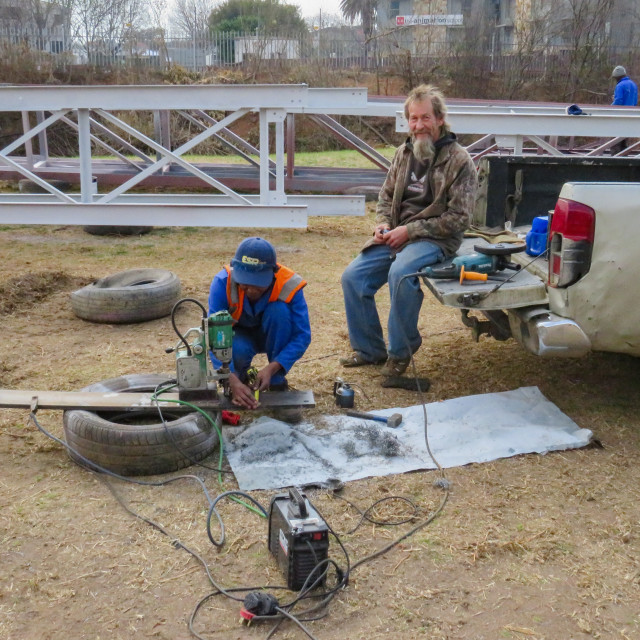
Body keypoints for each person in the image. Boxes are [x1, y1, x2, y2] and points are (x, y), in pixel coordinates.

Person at [340, 84, 478, 379]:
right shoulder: (404, 153)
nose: (418, 126)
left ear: (440, 119)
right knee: (353, 277)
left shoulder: (460, 161)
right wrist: (384, 225)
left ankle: (401, 351)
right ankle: (369, 350)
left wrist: (410, 230)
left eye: (425, 118)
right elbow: (386, 197)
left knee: (400, 274)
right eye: (413, 119)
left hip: (435, 239)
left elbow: (459, 218)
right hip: (396, 234)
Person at [208, 237, 311, 409]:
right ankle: (239, 382)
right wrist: (229, 378)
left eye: (258, 284)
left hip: (274, 334)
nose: (251, 290)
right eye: (245, 284)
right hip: (239, 337)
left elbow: (302, 336)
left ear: (273, 274)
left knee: (278, 311)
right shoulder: (222, 283)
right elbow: (213, 335)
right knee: (237, 349)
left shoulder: (289, 284)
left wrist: (272, 368)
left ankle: (276, 383)